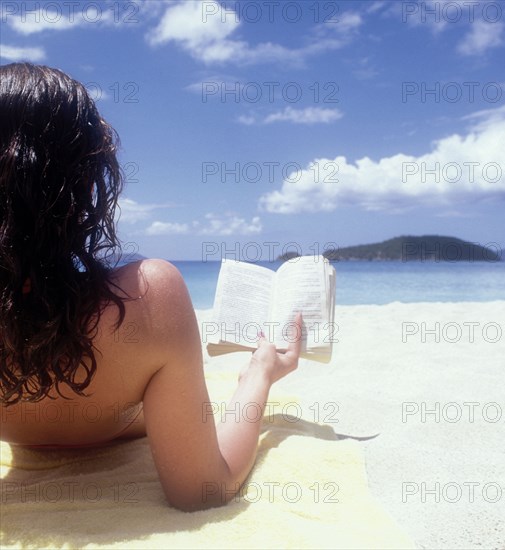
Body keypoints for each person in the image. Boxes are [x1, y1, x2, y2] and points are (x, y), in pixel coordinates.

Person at [0, 63, 302, 512]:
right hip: (109, 418)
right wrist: (260, 373)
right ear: (85, 187)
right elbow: (201, 490)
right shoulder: (149, 296)